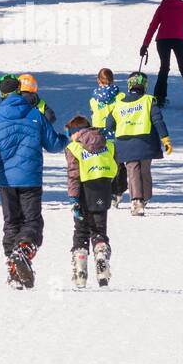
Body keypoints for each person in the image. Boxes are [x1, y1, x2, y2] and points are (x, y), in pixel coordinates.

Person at [0, 74, 69, 290]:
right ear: (19, 90)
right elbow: (54, 144)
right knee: (32, 222)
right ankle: (24, 250)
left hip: (7, 181)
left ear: (1, 94)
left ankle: (14, 270)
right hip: (31, 179)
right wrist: (68, 137)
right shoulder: (35, 115)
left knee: (11, 224)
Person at [64, 115, 116, 288]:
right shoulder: (107, 144)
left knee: (81, 231)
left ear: (76, 132)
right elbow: (118, 167)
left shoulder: (74, 148)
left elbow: (73, 175)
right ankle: (101, 253)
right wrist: (117, 189)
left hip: (83, 192)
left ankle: (80, 269)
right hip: (103, 189)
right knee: (99, 229)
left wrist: (73, 198)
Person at [109, 70, 171, 216]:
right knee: (144, 170)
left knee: (133, 171)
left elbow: (109, 124)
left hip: (125, 143)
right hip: (145, 143)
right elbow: (158, 121)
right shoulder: (149, 100)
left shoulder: (119, 103)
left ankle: (136, 200)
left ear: (129, 86)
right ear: (145, 86)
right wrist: (165, 139)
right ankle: (145, 197)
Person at [140, 0, 183, 109]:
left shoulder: (162, 7)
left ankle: (159, 98)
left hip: (162, 40)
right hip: (180, 40)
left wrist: (145, 45)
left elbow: (152, 26)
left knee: (164, 68)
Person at [89, 67, 128, 208]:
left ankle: (103, 192)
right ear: (112, 80)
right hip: (116, 133)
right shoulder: (120, 97)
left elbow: (93, 113)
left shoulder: (93, 99)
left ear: (98, 80)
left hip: (99, 134)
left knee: (102, 163)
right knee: (117, 164)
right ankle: (117, 192)